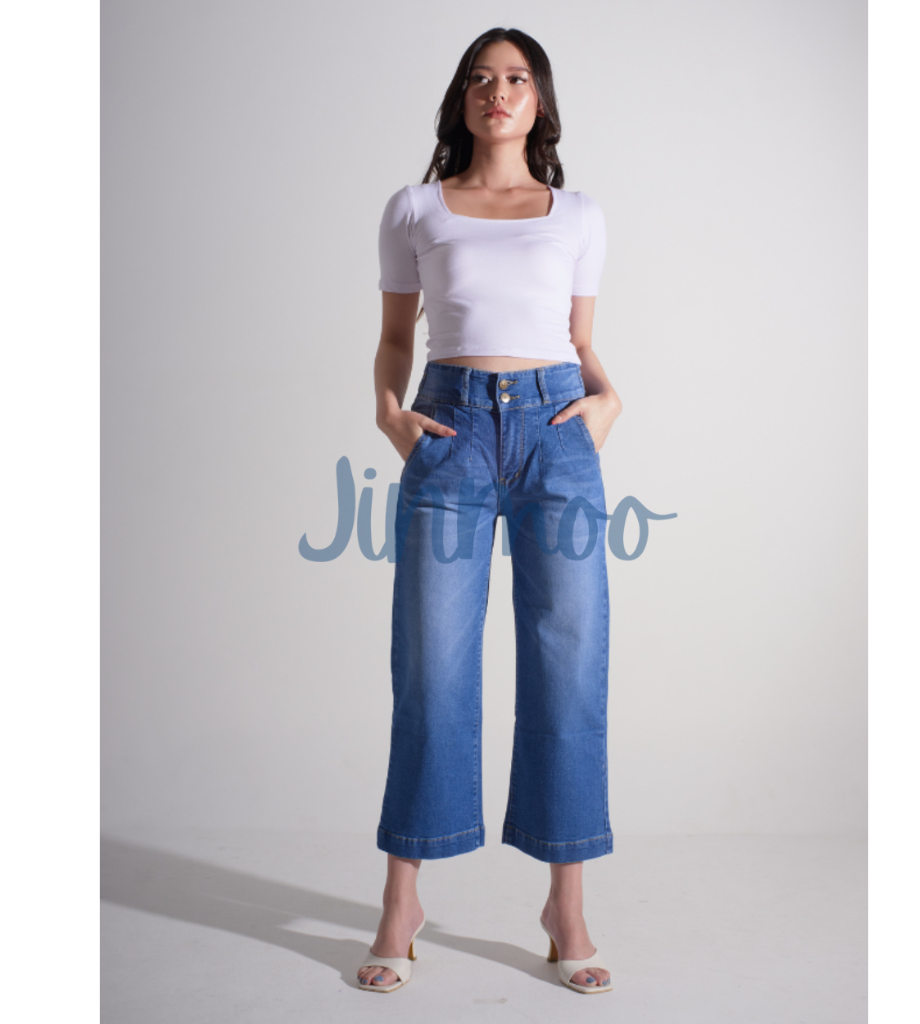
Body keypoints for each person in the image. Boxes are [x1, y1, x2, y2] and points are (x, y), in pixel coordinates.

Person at [358, 26, 622, 994]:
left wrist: (608, 398)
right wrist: (389, 413)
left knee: (570, 664)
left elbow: (579, 340)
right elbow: (396, 336)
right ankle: (401, 903)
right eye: (479, 77)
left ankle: (566, 907)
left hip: (556, 432)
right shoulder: (416, 206)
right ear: (461, 99)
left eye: (515, 77)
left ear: (538, 100)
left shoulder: (578, 214)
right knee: (431, 664)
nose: (496, 90)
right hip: (452, 428)